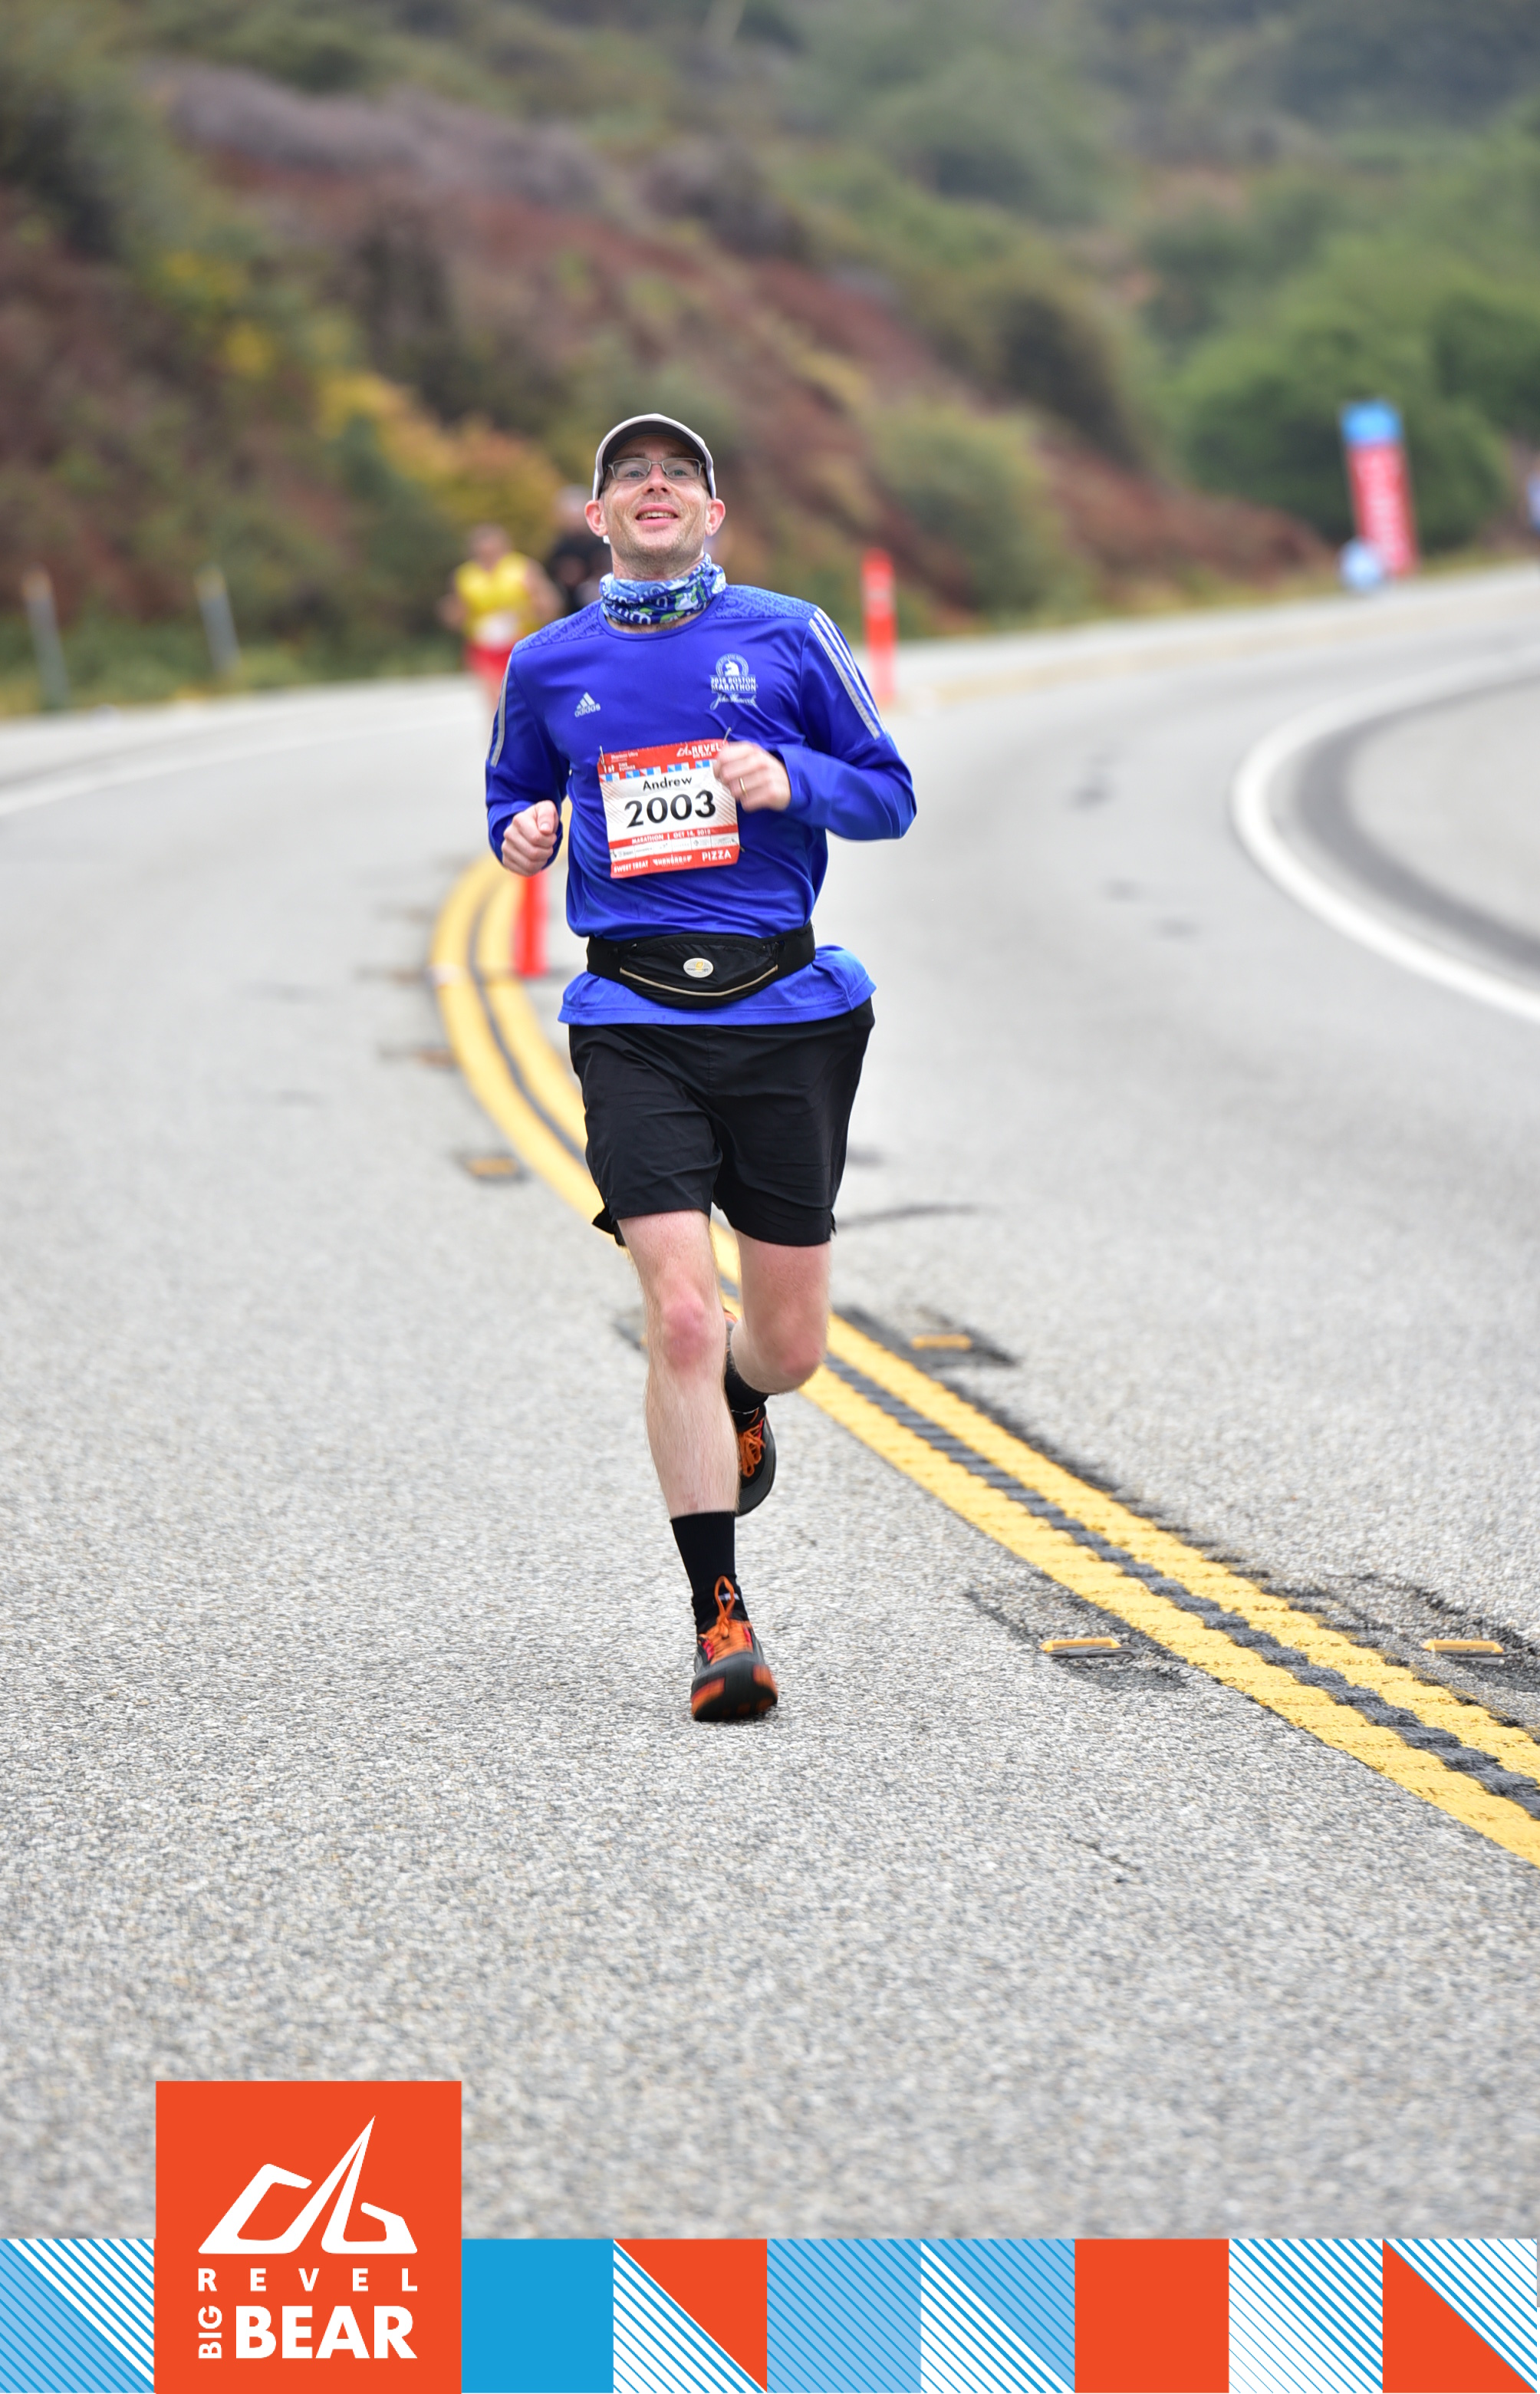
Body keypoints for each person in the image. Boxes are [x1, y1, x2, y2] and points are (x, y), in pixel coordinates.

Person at [486, 413, 915, 1721]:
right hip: (631, 1017)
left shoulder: (789, 636)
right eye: (631, 476)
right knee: (678, 1313)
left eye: (679, 473)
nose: (656, 487)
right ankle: (719, 1619)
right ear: (599, 519)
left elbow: (888, 795)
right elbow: (509, 798)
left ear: (713, 514)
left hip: (781, 1012)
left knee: (788, 1346)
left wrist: (788, 777)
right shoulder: (546, 664)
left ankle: (742, 1389)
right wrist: (525, 832)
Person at [440, 524, 557, 712]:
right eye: (482, 553)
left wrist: (535, 600)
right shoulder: (464, 576)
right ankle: (503, 729)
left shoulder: (523, 568)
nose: (488, 557)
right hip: (483, 646)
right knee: (498, 701)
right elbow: (454, 616)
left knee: (524, 698)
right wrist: (453, 612)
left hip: (520, 643)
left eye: (493, 552)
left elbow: (551, 607)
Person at [543, 486, 610, 615]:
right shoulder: (558, 549)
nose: (575, 521)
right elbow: (550, 583)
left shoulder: (603, 544)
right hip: (570, 612)